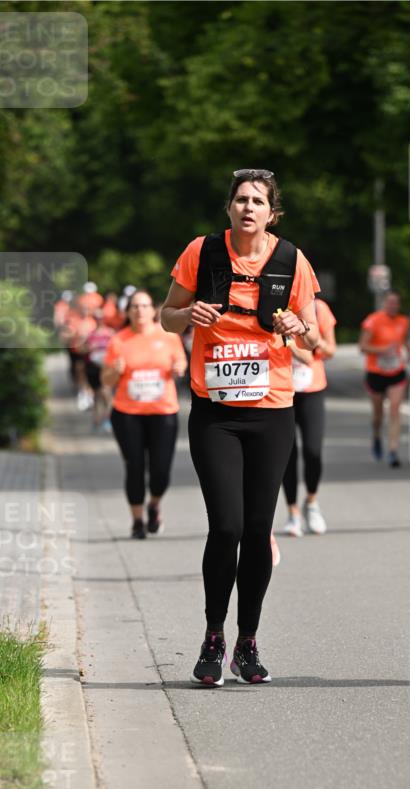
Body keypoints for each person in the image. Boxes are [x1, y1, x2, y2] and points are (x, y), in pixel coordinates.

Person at [161, 169, 319, 686]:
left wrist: (297, 327)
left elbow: (313, 337)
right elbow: (167, 316)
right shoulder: (201, 252)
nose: (248, 208)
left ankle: (247, 641)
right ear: (228, 207)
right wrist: (190, 315)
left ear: (272, 213)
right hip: (216, 412)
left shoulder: (291, 260)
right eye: (241, 199)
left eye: (258, 201)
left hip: (272, 410)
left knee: (256, 530)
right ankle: (213, 635)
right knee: (225, 525)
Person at [102, 289, 187, 539]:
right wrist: (115, 371)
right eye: (134, 307)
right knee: (135, 467)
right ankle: (137, 521)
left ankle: (154, 504)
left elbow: (180, 364)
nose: (140, 311)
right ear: (128, 312)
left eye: (144, 306)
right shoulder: (119, 340)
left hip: (163, 413)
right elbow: (106, 379)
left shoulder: (169, 337)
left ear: (154, 310)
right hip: (128, 414)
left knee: (160, 470)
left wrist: (178, 368)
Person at [282, 292, 337, 536]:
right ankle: (293, 511)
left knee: (313, 451)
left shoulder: (319, 308)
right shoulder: (275, 304)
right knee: (286, 455)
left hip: (312, 389)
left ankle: (311, 502)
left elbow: (330, 350)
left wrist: (312, 342)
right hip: (281, 390)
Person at [359, 291, 410, 467]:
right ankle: (376, 436)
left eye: (396, 303)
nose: (393, 306)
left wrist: (407, 354)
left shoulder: (403, 321)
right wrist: (383, 350)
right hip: (376, 372)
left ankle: (393, 450)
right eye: (390, 303)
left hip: (396, 371)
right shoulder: (373, 320)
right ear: (384, 304)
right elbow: (362, 347)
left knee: (395, 410)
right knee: (378, 415)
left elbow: (404, 343)